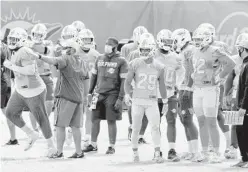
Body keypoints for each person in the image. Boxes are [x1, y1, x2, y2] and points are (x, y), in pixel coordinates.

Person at [3, 27, 56, 157]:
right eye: (11, 38)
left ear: (22, 40)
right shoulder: (14, 51)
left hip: (34, 90)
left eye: (15, 39)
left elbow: (31, 71)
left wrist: (11, 66)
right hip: (21, 90)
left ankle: (51, 147)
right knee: (10, 113)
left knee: (42, 119)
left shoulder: (24, 50)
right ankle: (31, 134)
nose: (12, 41)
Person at [35, 39, 89, 158]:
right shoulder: (83, 62)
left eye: (66, 47)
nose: (63, 49)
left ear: (71, 49)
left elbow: (52, 60)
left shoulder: (65, 58)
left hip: (65, 97)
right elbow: (86, 81)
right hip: (78, 98)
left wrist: (39, 56)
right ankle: (79, 152)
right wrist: (85, 96)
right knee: (76, 127)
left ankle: (58, 152)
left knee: (60, 126)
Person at [192, 27, 235, 163]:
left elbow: (231, 63)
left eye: (199, 39)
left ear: (206, 38)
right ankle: (205, 152)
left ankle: (216, 153)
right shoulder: (195, 51)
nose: (197, 42)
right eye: (196, 39)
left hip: (210, 89)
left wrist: (220, 76)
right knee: (201, 121)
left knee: (211, 121)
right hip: (197, 88)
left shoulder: (215, 50)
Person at [124, 34, 166, 163]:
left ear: (152, 49)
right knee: (136, 128)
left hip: (152, 101)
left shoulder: (159, 66)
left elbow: (162, 85)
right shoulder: (134, 63)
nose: (144, 52)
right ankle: (135, 153)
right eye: (142, 49)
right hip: (137, 100)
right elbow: (127, 81)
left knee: (155, 127)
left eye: (146, 49)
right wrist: (126, 94)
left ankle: (157, 153)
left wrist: (165, 101)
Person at [84, 37, 128, 154]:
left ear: (115, 47)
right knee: (95, 119)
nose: (107, 46)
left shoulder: (122, 61)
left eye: (109, 45)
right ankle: (93, 144)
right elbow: (93, 76)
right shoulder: (99, 58)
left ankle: (111, 146)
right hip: (98, 93)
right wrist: (89, 92)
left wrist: (120, 98)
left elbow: (124, 81)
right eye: (106, 44)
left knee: (111, 120)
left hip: (113, 94)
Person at [171, 28, 203, 162]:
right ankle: (191, 150)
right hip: (183, 87)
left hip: (188, 88)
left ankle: (196, 152)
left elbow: (191, 71)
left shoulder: (189, 50)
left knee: (187, 119)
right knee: (184, 119)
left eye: (175, 40)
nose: (173, 43)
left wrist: (188, 89)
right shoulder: (185, 50)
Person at [155, 29, 185, 162]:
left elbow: (181, 71)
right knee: (155, 124)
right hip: (154, 95)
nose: (168, 44)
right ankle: (157, 150)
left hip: (170, 93)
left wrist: (177, 84)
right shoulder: (152, 55)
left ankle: (172, 150)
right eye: (165, 41)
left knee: (171, 121)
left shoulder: (176, 57)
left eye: (170, 41)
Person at [121, 26, 149, 142]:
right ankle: (133, 127)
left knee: (147, 109)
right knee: (132, 107)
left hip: (147, 82)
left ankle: (141, 134)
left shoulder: (151, 50)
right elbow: (125, 66)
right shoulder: (129, 50)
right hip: (134, 82)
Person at [28, 23, 55, 132]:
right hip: (33, 77)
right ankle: (34, 128)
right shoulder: (28, 44)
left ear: (43, 35)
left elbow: (46, 51)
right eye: (35, 34)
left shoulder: (48, 44)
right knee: (33, 104)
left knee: (49, 102)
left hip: (46, 75)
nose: (37, 36)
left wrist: (32, 45)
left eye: (40, 34)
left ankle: (42, 124)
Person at [76, 28, 100, 146]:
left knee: (90, 110)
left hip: (91, 87)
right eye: (84, 39)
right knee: (77, 111)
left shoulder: (96, 54)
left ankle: (87, 135)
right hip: (76, 86)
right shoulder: (74, 52)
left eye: (88, 39)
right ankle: (73, 130)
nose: (87, 41)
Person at [232, 33, 248, 168]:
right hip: (242, 104)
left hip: (245, 106)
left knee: (242, 131)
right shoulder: (244, 63)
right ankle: (244, 157)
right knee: (239, 130)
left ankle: (245, 158)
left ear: (242, 49)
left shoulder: (247, 65)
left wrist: (243, 106)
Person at [1, 40, 18, 145]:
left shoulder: (3, 48)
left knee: (7, 112)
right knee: (7, 111)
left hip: (2, 83)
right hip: (5, 82)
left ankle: (14, 138)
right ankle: (13, 138)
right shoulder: (5, 46)